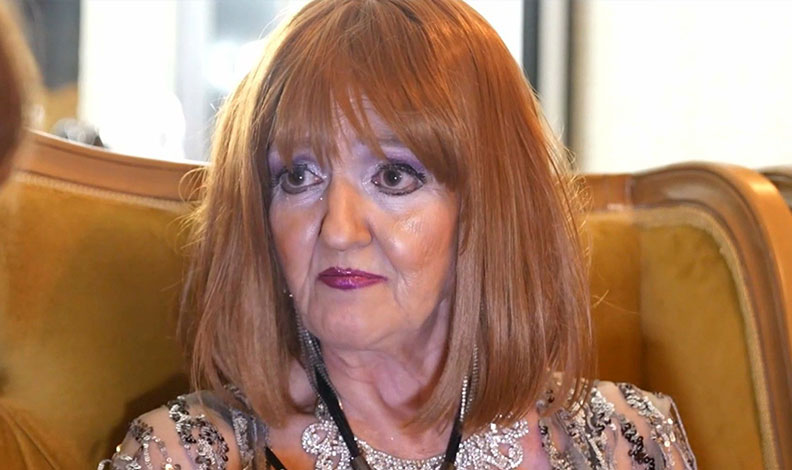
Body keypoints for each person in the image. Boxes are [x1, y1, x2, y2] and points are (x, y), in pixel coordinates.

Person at [101, 0, 696, 469]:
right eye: (299, 176)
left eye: (392, 176)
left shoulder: (627, 442)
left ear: (489, 209)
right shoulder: (182, 454)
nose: (339, 231)